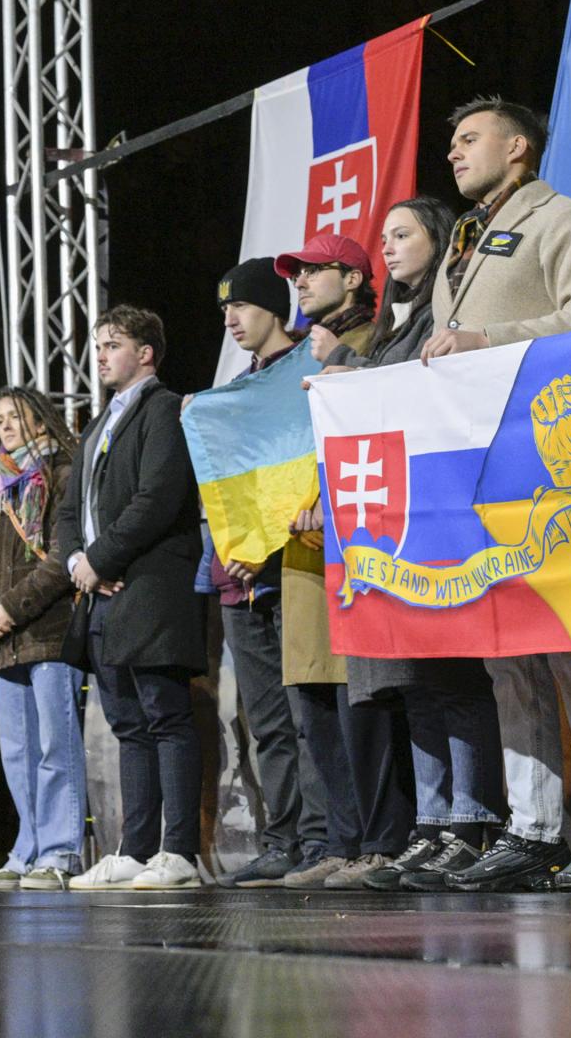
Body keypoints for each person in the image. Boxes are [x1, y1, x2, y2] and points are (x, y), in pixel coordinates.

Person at [416, 96, 571, 893]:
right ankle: (533, 827)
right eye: (451, 141)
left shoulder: (566, 220)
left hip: (554, 462)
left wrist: (487, 340)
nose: (452, 152)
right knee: (507, 649)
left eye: (468, 138)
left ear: (518, 148)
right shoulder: (464, 244)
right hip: (486, 470)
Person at [308, 198, 508, 892]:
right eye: (383, 237)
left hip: (442, 511)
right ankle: (432, 823)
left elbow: (433, 389)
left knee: (453, 676)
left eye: (403, 234)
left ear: (441, 237)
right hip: (397, 519)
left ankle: (473, 817)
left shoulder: (443, 318)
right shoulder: (393, 325)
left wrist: (353, 380)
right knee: (414, 682)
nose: (387, 248)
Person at [268, 234, 414, 890]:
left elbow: (389, 419)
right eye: (294, 274)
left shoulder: (376, 341)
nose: (299, 282)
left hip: (363, 541)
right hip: (301, 550)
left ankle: (384, 840)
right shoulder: (302, 354)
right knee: (314, 699)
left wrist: (347, 359)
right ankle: (343, 837)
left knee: (367, 697)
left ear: (353, 280)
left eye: (313, 271)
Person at [56, 306, 207, 891]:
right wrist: (78, 562)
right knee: (127, 723)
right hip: (102, 591)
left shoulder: (163, 409)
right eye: (97, 346)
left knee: (165, 715)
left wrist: (102, 559)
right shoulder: (97, 424)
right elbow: (71, 510)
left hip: (151, 585)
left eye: (112, 345)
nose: (100, 356)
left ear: (146, 352)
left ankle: (179, 852)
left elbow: (158, 497)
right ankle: (136, 849)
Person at [203, 259, 330, 889]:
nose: (231, 319)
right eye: (225, 309)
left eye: (243, 306)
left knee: (310, 713)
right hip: (238, 578)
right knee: (267, 721)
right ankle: (281, 838)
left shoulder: (311, 365)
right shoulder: (235, 392)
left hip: (296, 566)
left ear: (275, 309)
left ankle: (320, 838)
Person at [0, 387, 86, 892]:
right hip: (3, 639)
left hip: (47, 631)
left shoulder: (61, 474)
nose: (6, 426)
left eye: (15, 416)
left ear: (40, 421)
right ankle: (28, 848)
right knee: (17, 751)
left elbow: (61, 559)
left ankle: (60, 850)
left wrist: (9, 610)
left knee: (55, 743)